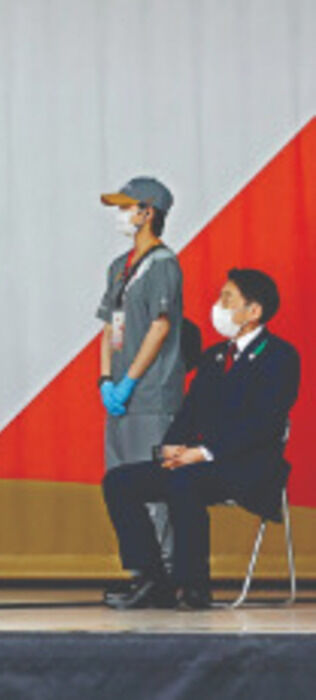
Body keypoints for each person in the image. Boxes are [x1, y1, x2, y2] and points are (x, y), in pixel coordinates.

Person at [102, 269, 299, 610]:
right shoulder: (214, 357)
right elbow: (189, 414)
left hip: (248, 466)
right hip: (198, 462)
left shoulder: (280, 357)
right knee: (119, 481)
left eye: (227, 299)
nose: (218, 306)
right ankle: (153, 580)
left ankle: (193, 586)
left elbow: (262, 425)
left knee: (184, 482)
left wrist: (204, 453)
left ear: (254, 312)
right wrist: (171, 448)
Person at [96, 177, 185, 594]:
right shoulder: (120, 267)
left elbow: (160, 327)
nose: (121, 215)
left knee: (154, 490)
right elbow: (112, 328)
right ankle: (141, 573)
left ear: (148, 212)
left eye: (127, 207)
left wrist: (130, 380)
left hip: (152, 396)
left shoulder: (163, 264)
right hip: (121, 399)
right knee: (120, 483)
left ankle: (165, 574)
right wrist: (106, 380)